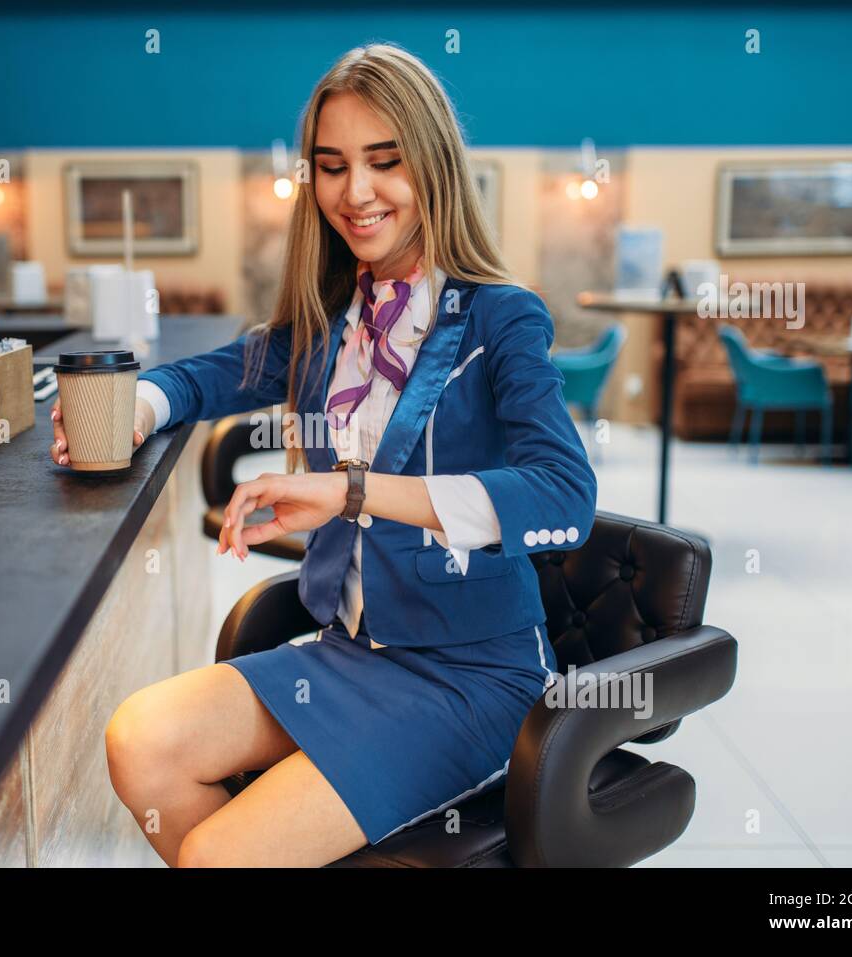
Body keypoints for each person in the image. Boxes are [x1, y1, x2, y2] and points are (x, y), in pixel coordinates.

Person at [49, 42, 596, 867]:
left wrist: (353, 491)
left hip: (473, 678)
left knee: (215, 854)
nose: (357, 192)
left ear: (435, 164)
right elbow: (211, 375)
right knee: (138, 741)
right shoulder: (331, 322)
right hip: (345, 655)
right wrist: (139, 405)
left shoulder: (500, 319)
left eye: (385, 161)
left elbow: (563, 496)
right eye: (332, 166)